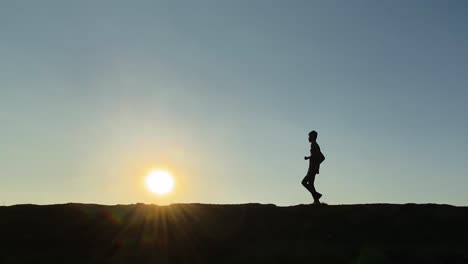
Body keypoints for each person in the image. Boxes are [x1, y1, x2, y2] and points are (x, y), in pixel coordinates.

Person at [301, 130, 325, 204]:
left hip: (312, 169)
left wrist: (315, 165)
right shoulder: (315, 145)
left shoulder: (314, 145)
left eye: (309, 137)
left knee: (304, 182)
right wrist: (309, 158)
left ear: (312, 137)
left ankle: (316, 196)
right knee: (311, 184)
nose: (308, 138)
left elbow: (320, 157)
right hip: (312, 169)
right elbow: (319, 157)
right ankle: (316, 200)